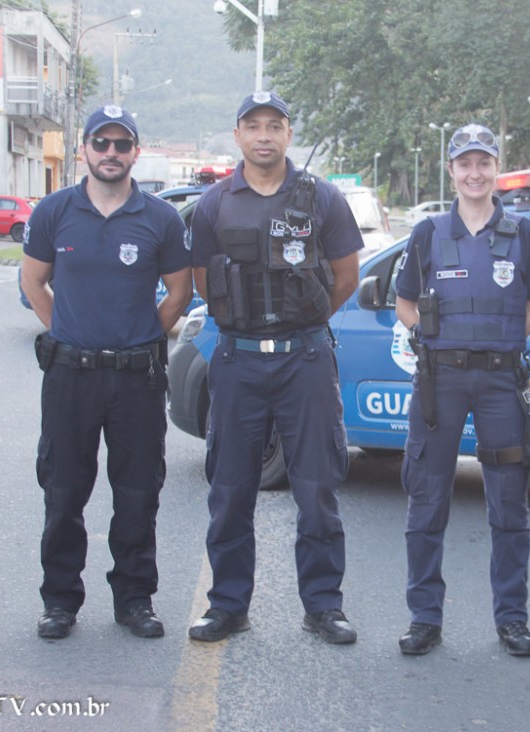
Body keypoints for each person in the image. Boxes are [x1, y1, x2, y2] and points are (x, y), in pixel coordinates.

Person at [188, 91, 363, 644]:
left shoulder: (322, 197)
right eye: (253, 126)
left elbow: (347, 276)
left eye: (274, 125)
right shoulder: (214, 203)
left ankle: (323, 607)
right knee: (230, 489)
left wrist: (303, 320)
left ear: (288, 133)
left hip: (304, 359)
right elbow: (203, 281)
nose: (264, 135)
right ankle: (227, 605)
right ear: (237, 135)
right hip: (238, 358)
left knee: (317, 488)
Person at [21, 105, 193, 640]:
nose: (111, 153)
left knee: (138, 493)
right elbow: (33, 283)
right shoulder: (54, 211)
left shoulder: (161, 218)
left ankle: (135, 599)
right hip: (70, 377)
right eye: (102, 143)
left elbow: (180, 293)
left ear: (136, 152)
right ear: (84, 150)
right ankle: (59, 601)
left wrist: (139, 334)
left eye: (122, 144)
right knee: (63, 490)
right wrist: (66, 330)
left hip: (137, 379)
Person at [394, 124, 530, 656]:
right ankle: (424, 618)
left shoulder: (522, 233)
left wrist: (499, 344)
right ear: (452, 170)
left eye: (484, 163)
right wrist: (430, 338)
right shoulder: (427, 232)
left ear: (496, 168)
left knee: (509, 505)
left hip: (502, 383)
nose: (475, 173)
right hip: (440, 382)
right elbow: (405, 302)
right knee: (427, 499)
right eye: (465, 163)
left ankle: (512, 619)